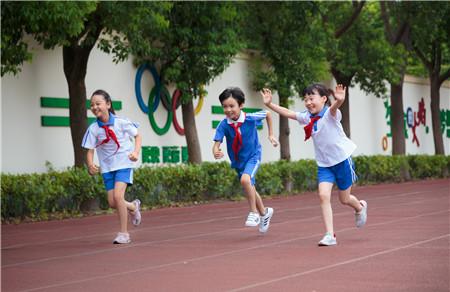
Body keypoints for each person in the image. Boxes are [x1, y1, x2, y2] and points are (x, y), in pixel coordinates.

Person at [261, 84, 367, 246]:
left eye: (312, 98)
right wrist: (269, 104)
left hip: (342, 161)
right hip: (324, 165)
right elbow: (289, 113)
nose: (308, 102)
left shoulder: (331, 114)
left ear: (324, 99)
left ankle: (359, 207)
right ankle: (330, 235)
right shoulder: (307, 117)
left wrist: (339, 101)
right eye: (305, 99)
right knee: (323, 195)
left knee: (344, 199)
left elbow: (334, 108)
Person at [213, 87, 279, 233]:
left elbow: (267, 113)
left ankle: (254, 213)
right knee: (250, 186)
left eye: (232, 106)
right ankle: (264, 213)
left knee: (245, 181)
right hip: (238, 161)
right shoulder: (224, 124)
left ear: (241, 105)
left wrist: (271, 134)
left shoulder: (250, 118)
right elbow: (216, 144)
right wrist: (216, 151)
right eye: (225, 106)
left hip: (253, 156)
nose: (228, 110)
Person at [82, 89, 142, 244]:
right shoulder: (93, 129)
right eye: (92, 105)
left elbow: (137, 135)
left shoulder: (121, 122)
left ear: (108, 104)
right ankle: (133, 207)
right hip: (107, 168)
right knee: (112, 202)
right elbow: (90, 151)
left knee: (118, 197)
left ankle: (124, 234)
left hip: (124, 163)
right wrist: (90, 164)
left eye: (98, 103)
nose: (94, 107)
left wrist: (135, 152)